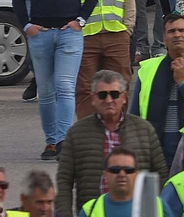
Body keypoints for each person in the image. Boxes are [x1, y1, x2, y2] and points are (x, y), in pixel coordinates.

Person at [15, 0, 95, 158]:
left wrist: (80, 20)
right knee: (46, 91)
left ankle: (63, 141)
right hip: (40, 34)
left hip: (69, 33)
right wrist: (27, 25)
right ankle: (51, 141)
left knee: (64, 85)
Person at [57, 70, 166, 215]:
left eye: (114, 94)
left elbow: (160, 175)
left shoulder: (143, 129)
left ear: (125, 97)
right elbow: (64, 181)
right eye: (102, 95)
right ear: (93, 99)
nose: (109, 100)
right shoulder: (76, 133)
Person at [133, 13, 184, 166]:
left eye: (182, 30)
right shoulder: (147, 70)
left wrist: (183, 82)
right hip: (155, 152)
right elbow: (134, 116)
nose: (177, 35)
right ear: (164, 38)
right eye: (171, 31)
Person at [75, 145, 143, 217]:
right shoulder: (89, 211)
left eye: (128, 170)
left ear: (137, 175)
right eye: (115, 170)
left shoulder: (154, 205)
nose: (122, 174)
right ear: (105, 175)